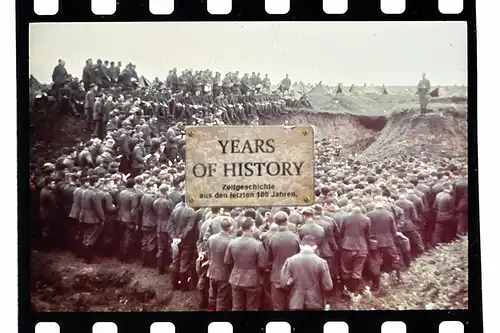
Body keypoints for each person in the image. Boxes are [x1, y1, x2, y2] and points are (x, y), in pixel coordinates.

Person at [280, 235, 333, 310]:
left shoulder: (290, 260)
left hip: (295, 302)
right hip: (315, 302)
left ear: (301, 246)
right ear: (315, 247)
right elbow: (328, 286)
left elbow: (283, 283)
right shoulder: (322, 262)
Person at [224, 217, 267, 311]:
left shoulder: (232, 242)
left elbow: (227, 261)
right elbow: (263, 265)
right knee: (252, 308)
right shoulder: (257, 244)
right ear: (251, 228)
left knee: (236, 307)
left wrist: (236, 268)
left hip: (236, 278)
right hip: (253, 280)